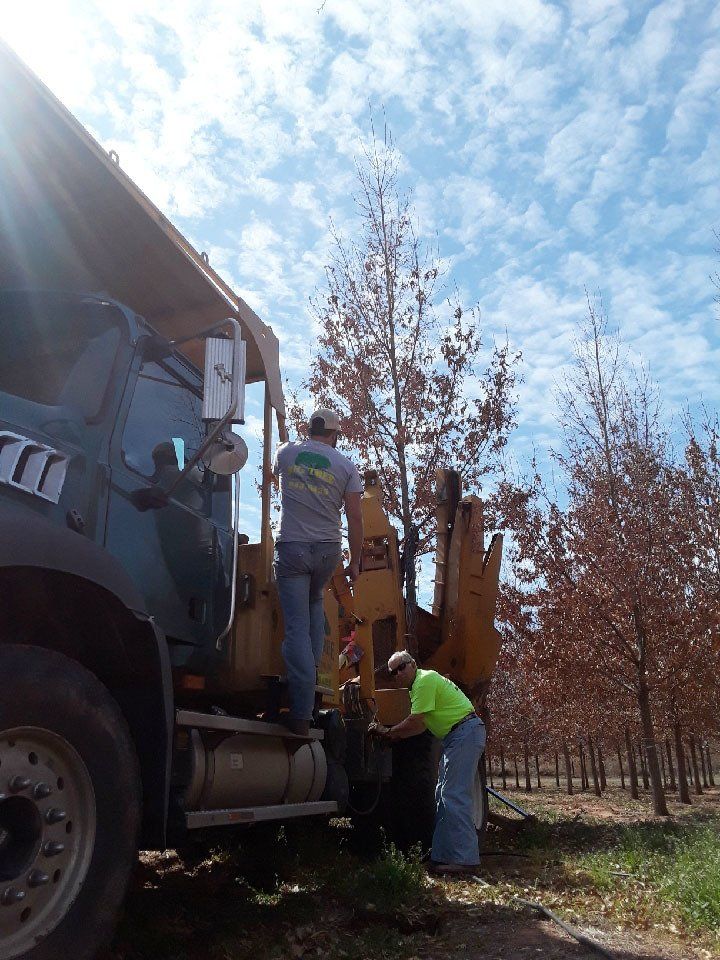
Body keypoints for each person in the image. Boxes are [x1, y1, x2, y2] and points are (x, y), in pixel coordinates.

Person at [273, 408, 363, 735]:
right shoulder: (346, 467)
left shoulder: (286, 452)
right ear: (335, 434)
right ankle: (310, 696)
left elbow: (273, 476)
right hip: (327, 552)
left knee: (296, 629)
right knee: (313, 605)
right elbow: (355, 517)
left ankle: (300, 713)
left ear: (308, 428)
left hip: (293, 549)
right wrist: (355, 561)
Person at [383, 650, 486, 874]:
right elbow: (420, 727)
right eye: (393, 672)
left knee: (454, 795)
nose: (398, 673)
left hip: (464, 733)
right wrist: (394, 735)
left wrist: (388, 732)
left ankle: (466, 861)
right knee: (442, 795)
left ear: (412, 664)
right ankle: (440, 857)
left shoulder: (424, 681)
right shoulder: (419, 687)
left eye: (401, 667)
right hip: (456, 737)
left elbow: (415, 721)